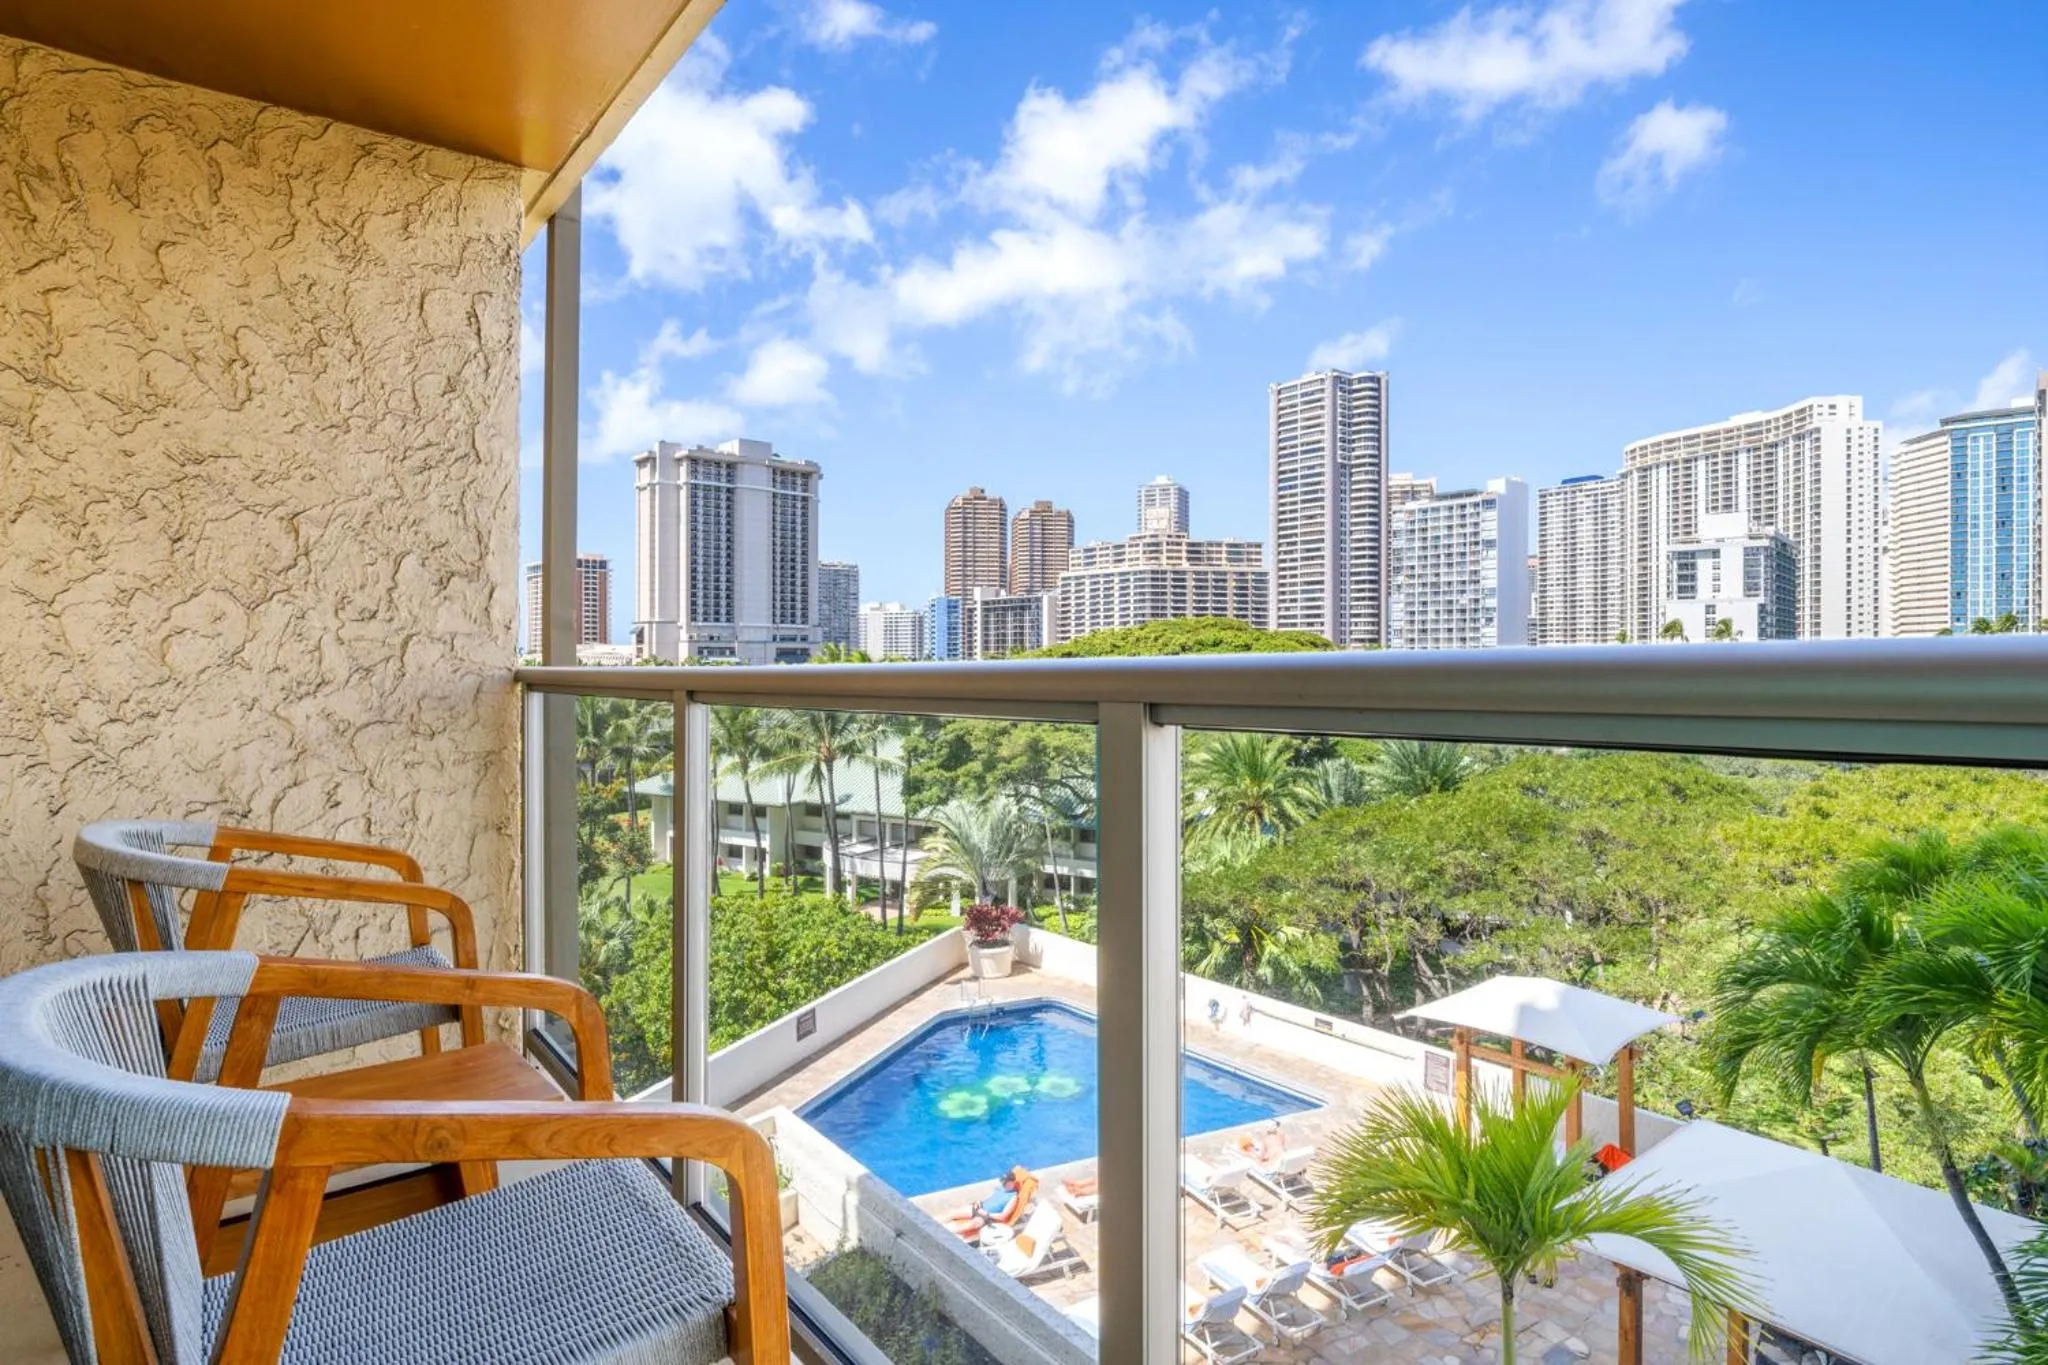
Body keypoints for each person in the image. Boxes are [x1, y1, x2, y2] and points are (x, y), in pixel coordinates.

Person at [943, 1166, 1036, 1239]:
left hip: (987, 1217)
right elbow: (989, 1198)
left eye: (1005, 1182)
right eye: (1003, 1182)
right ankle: (932, 1224)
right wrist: (980, 1202)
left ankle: (942, 1233)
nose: (1003, 1184)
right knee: (952, 1213)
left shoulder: (1013, 1197)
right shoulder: (1000, 1189)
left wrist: (986, 1214)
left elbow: (1003, 1216)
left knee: (971, 1225)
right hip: (980, 1208)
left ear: (1012, 1182)